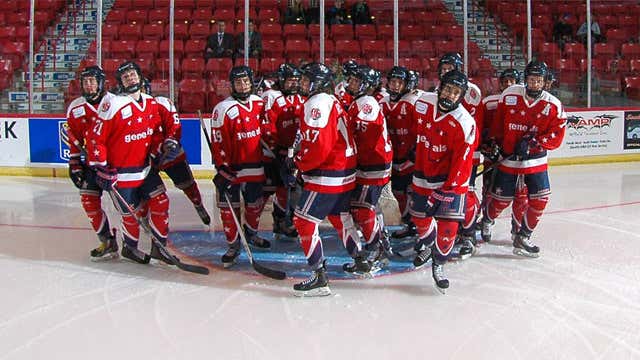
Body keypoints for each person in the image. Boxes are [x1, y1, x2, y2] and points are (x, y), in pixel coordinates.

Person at [86, 61, 172, 265]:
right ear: (120, 83)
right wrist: (101, 167)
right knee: (130, 214)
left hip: (145, 169)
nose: (130, 78)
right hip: (122, 173)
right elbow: (95, 136)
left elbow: (154, 135)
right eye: (125, 77)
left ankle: (160, 247)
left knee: (161, 201)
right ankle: (130, 248)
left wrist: (162, 149)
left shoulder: (151, 103)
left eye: (133, 75)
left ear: (141, 77)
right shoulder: (112, 103)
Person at [288, 63, 361, 296]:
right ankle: (360, 259)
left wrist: (299, 164)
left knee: (303, 220)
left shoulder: (317, 103)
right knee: (339, 216)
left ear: (317, 82)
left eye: (307, 79)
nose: (302, 83)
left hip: (329, 173)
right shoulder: (329, 100)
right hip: (345, 171)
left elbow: (319, 146)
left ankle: (319, 275)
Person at [480, 60, 567, 257]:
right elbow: (499, 124)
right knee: (501, 200)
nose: (535, 84)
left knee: (540, 199)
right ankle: (487, 219)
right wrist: (494, 144)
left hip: (535, 162)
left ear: (545, 82)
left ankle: (523, 236)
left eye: (539, 81)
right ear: (525, 79)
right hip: (509, 160)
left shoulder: (553, 105)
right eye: (531, 80)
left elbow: (557, 134)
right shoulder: (510, 95)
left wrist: (534, 143)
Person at [411, 69, 476, 292]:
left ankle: (438, 266)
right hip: (422, 173)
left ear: (462, 96)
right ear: (440, 87)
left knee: (448, 228)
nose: (450, 95)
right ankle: (430, 245)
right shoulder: (424, 103)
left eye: (456, 92)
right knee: (419, 219)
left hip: (450, 183)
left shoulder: (464, 122)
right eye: (448, 89)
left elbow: (463, 162)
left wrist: (448, 190)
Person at [210, 66, 271, 268]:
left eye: (245, 81)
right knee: (229, 209)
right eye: (238, 82)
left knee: (255, 204)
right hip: (232, 168)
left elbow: (267, 130)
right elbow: (218, 142)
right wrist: (222, 166)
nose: (242, 85)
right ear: (231, 85)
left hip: (255, 165)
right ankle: (233, 245)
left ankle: (251, 234)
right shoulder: (222, 108)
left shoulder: (258, 103)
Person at [140, 78, 211, 226]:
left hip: (169, 156)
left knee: (187, 184)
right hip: (146, 159)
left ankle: (198, 204)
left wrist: (170, 142)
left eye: (141, 89)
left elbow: (174, 125)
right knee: (146, 191)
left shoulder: (161, 104)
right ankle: (144, 216)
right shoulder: (127, 109)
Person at [66, 66, 118, 260]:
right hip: (92, 165)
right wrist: (74, 164)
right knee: (88, 200)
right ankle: (106, 240)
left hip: (115, 165)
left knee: (129, 204)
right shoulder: (76, 107)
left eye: (92, 81)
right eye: (85, 81)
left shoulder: (114, 102)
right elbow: (74, 139)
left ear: (101, 82)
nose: (88, 85)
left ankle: (138, 240)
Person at [344, 65, 393, 270]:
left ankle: (377, 249)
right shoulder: (359, 101)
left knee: (362, 208)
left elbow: (364, 134)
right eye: (352, 80)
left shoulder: (367, 103)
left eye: (357, 81)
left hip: (373, 164)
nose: (352, 84)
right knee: (367, 206)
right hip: (370, 163)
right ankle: (381, 241)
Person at [435, 52, 484, 260]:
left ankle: (469, 235)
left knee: (467, 196)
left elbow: (477, 123)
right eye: (443, 68)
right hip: (443, 156)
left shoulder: (472, 92)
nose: (446, 71)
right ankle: (448, 233)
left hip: (467, 153)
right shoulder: (438, 91)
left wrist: (476, 149)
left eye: (450, 67)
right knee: (444, 197)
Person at [262, 63, 305, 238]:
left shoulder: (301, 99)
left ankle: (283, 221)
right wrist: (274, 148)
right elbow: (267, 127)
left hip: (294, 154)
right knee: (267, 189)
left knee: (291, 189)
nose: (294, 84)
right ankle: (251, 227)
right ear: (281, 80)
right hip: (274, 153)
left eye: (296, 81)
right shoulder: (273, 97)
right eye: (290, 81)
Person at [380, 66, 419, 240]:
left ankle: (417, 225)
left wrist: (417, 150)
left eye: (399, 82)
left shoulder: (413, 102)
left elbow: (423, 129)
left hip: (410, 159)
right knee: (397, 193)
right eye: (393, 81)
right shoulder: (382, 102)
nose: (395, 85)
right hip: (392, 158)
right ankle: (408, 222)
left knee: (414, 193)